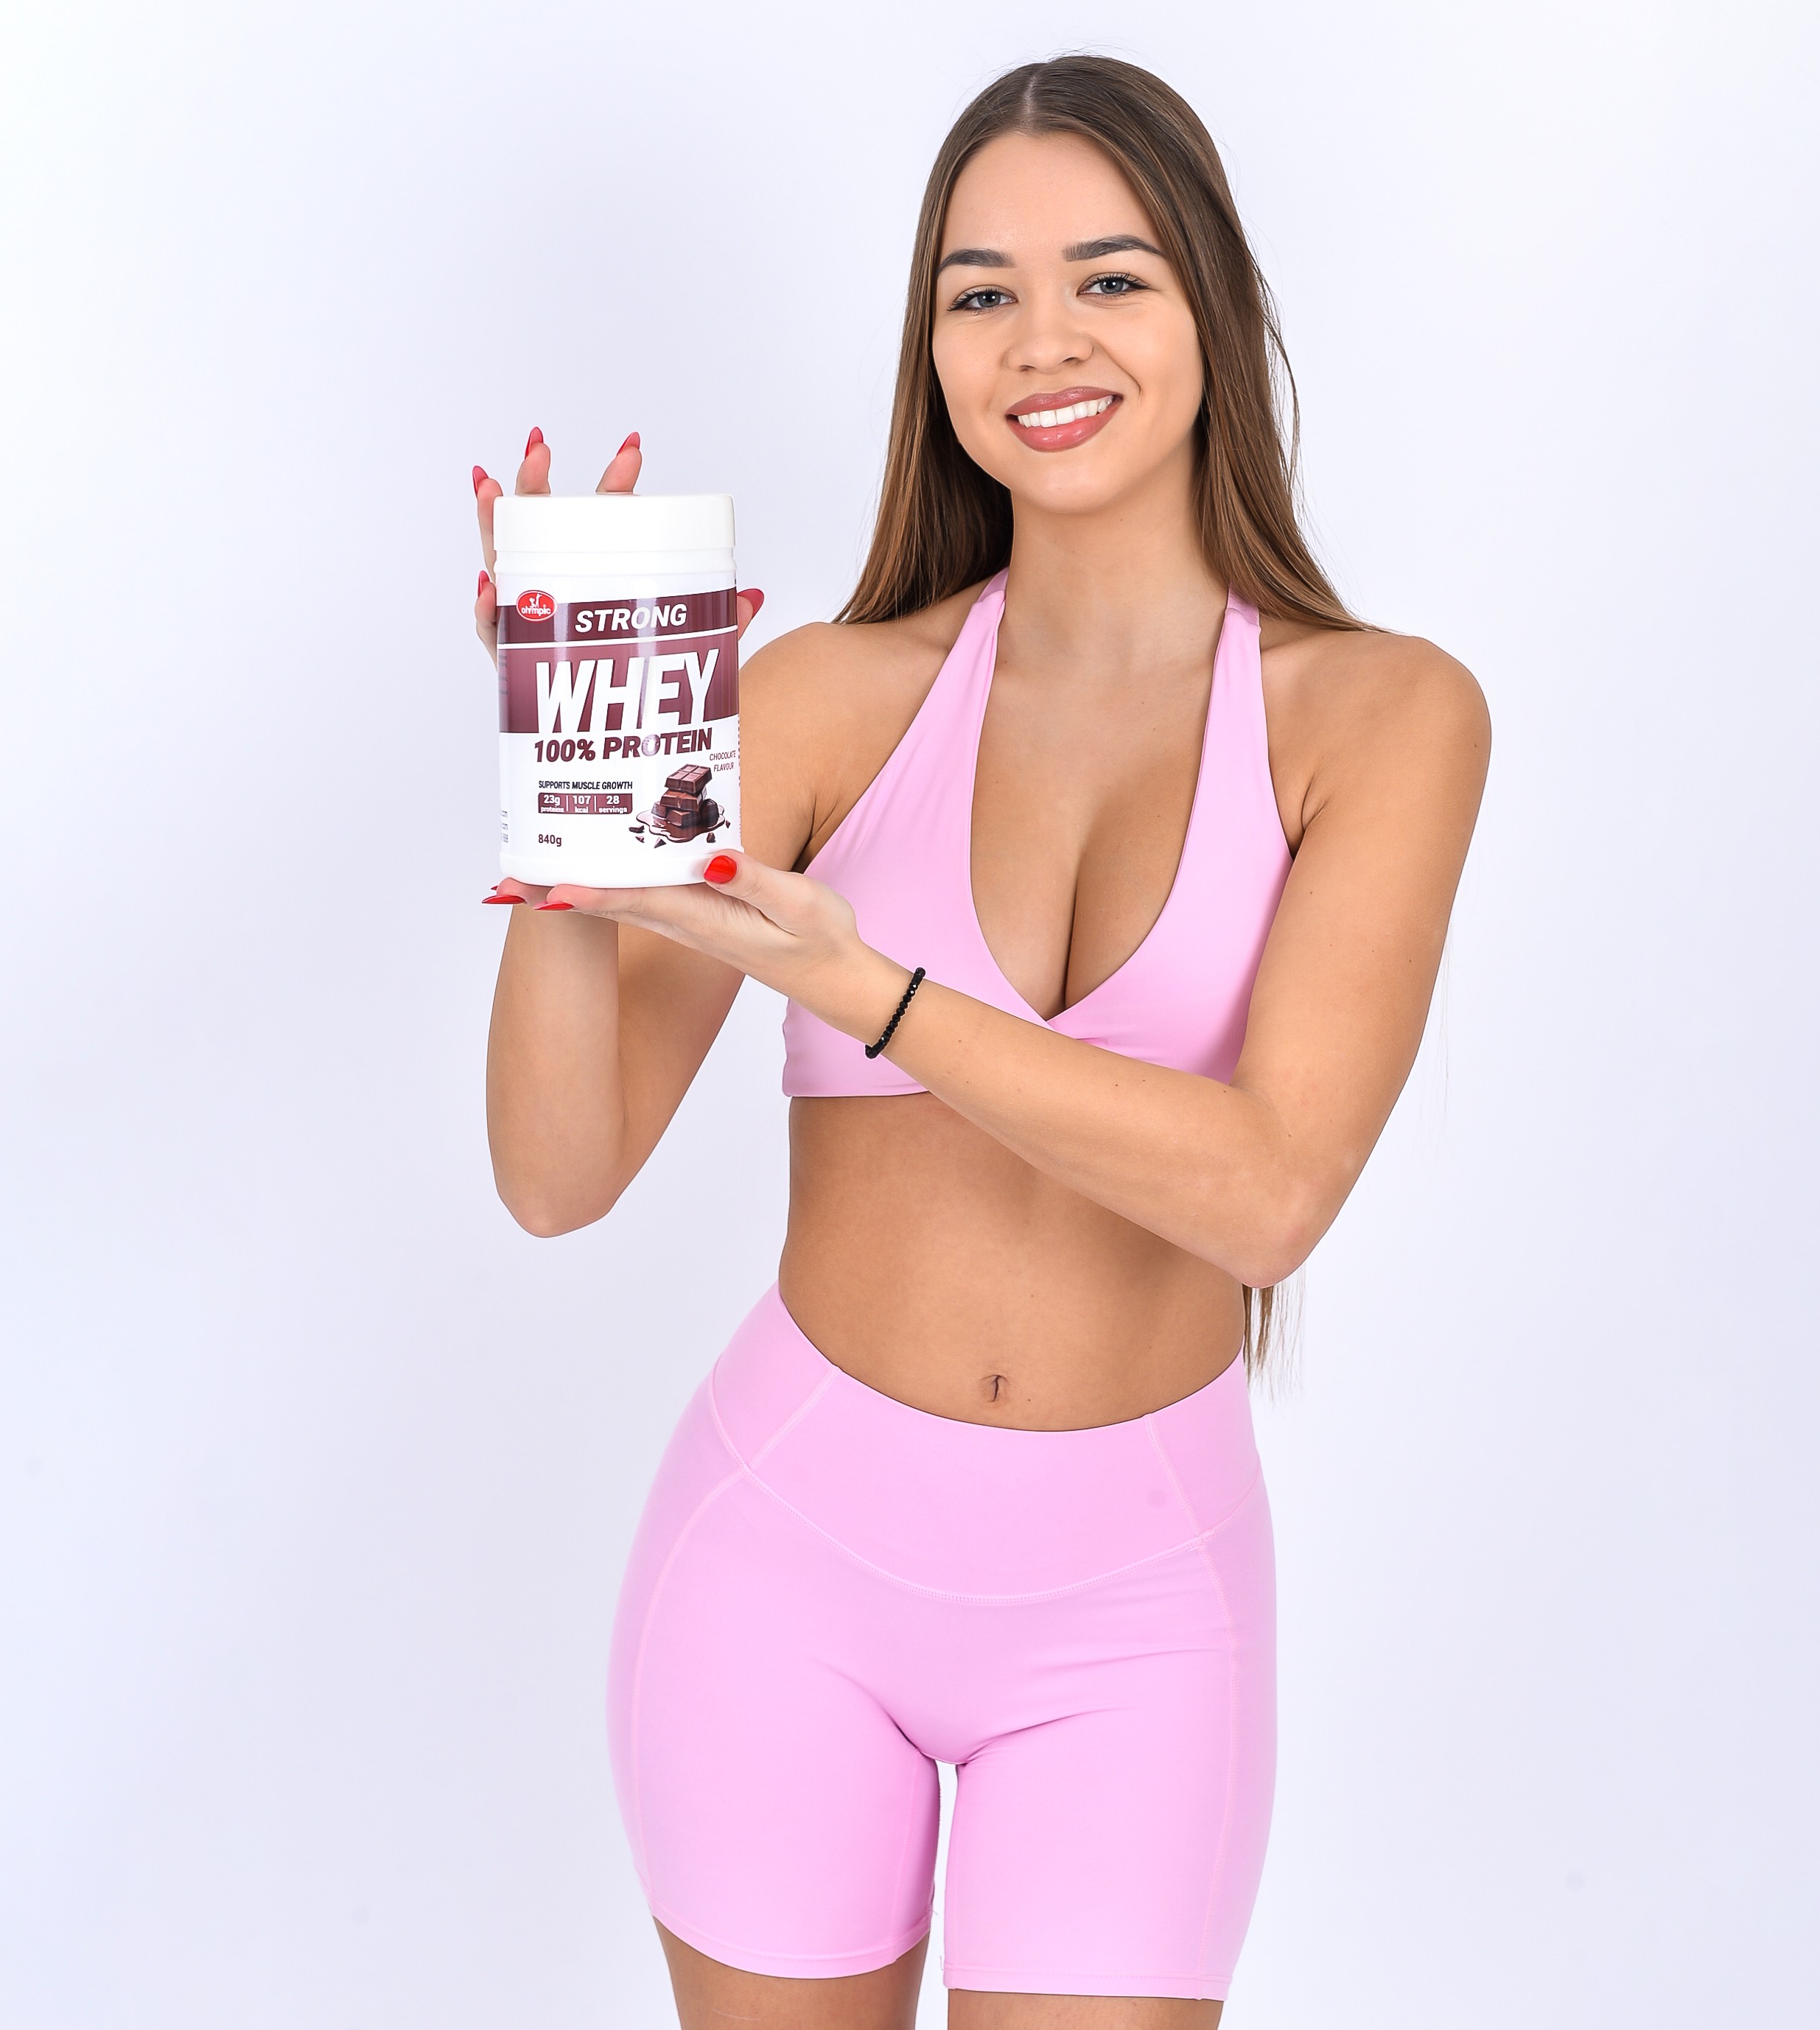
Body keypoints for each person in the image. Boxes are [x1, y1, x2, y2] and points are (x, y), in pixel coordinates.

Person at [471, 54, 1488, 2030]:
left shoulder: (1378, 717)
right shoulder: (830, 698)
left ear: (1213, 305)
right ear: (929, 346)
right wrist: (560, 812)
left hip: (1136, 1620)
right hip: (778, 1567)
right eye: (980, 291)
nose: (1041, 341)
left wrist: (866, 988)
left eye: (1108, 279)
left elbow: (1271, 1194)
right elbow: (555, 1178)